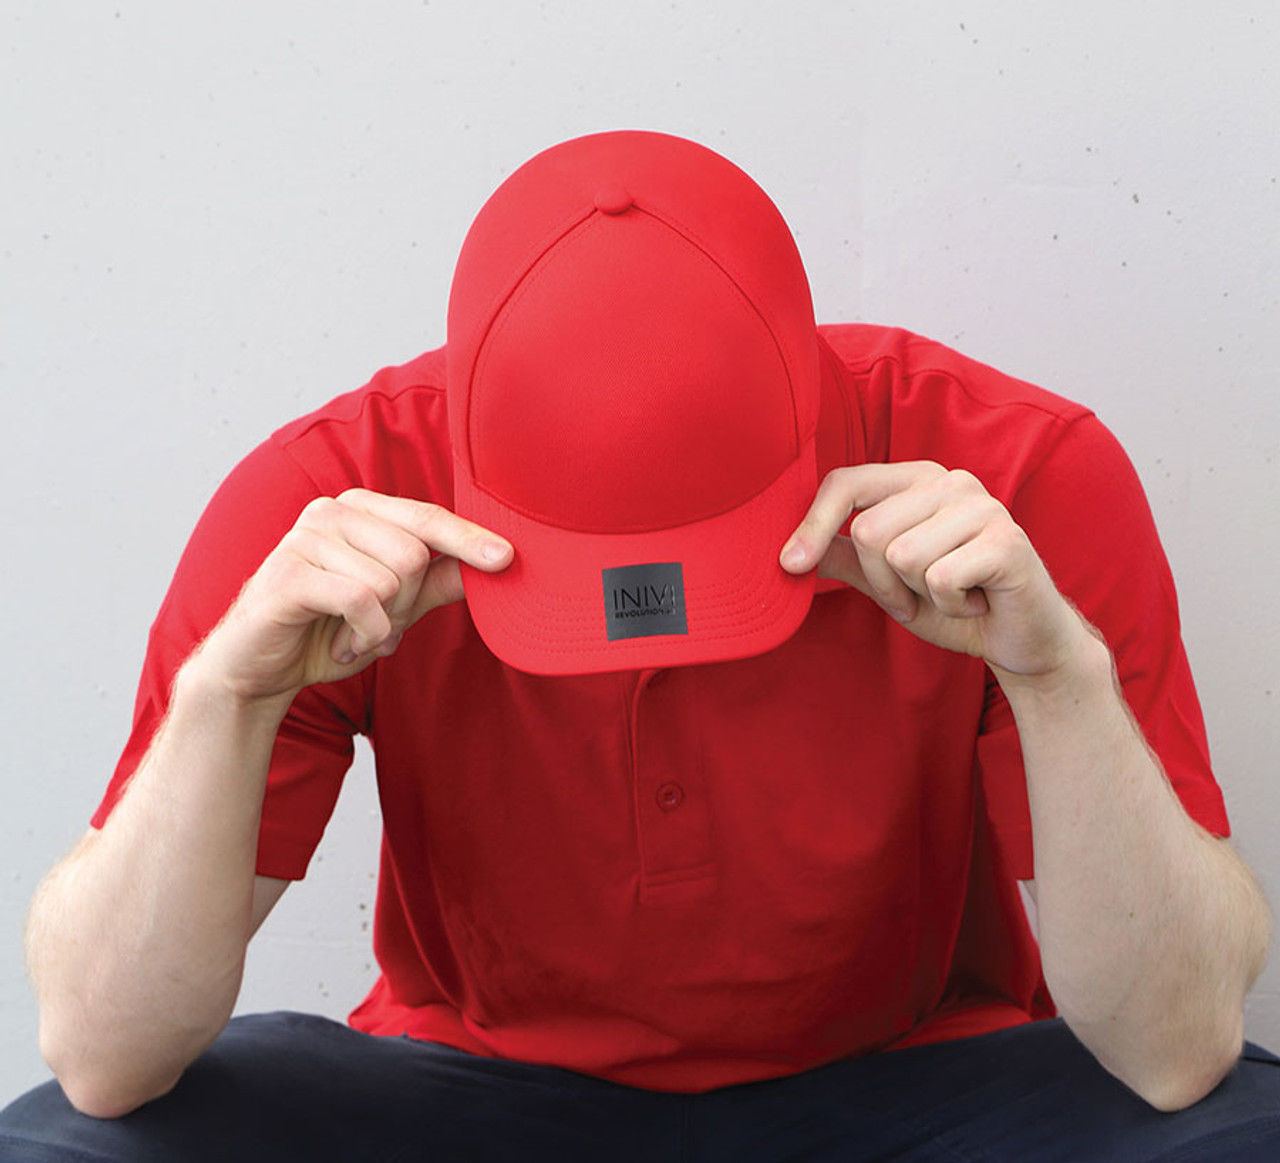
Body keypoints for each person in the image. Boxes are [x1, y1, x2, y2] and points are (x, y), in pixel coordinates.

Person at [2, 129, 1277, 1162]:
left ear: (809, 397)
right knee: (65, 1144)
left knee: (1239, 1126)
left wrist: (1055, 676)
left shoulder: (1010, 479)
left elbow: (1176, 1048)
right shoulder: (331, 510)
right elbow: (104, 1058)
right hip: (470, 1096)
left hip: (911, 1084)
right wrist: (224, 700)